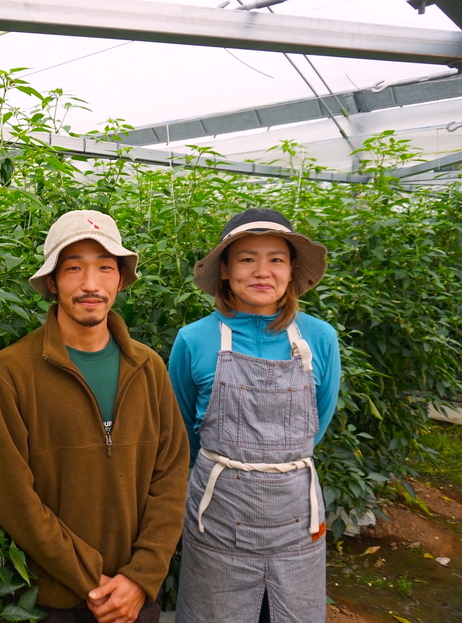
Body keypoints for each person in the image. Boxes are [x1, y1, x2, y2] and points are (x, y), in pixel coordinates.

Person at [0, 210, 189, 623]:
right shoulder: (10, 373)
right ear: (52, 282)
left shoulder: (148, 368)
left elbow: (171, 476)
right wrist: (93, 581)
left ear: (121, 279)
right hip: (52, 602)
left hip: (136, 601)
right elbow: (10, 495)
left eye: (105, 268)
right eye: (74, 268)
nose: (90, 284)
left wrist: (140, 578)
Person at [169, 208, 341, 623]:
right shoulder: (193, 339)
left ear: (292, 269)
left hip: (296, 517)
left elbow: (317, 422)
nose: (262, 271)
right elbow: (180, 437)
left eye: (276, 259)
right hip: (218, 516)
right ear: (225, 270)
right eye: (247, 258)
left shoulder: (319, 338)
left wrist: (271, 466)